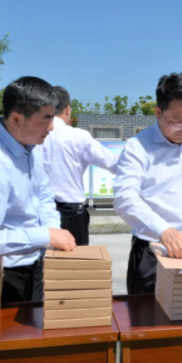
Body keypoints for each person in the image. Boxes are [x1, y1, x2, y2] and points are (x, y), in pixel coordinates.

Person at [0, 77, 76, 304]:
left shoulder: (30, 147)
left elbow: (43, 194)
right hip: (6, 274)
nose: (52, 127)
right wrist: (45, 235)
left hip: (36, 262)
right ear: (17, 119)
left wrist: (51, 228)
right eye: (46, 119)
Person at [114, 73, 182, 294]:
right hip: (154, 251)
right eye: (176, 121)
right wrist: (163, 229)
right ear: (158, 112)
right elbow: (125, 198)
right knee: (147, 314)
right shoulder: (138, 147)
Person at [42, 86, 119, 245]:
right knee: (76, 259)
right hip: (71, 212)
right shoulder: (79, 136)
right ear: (67, 109)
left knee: (41, 259)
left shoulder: (34, 135)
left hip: (38, 210)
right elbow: (113, 163)